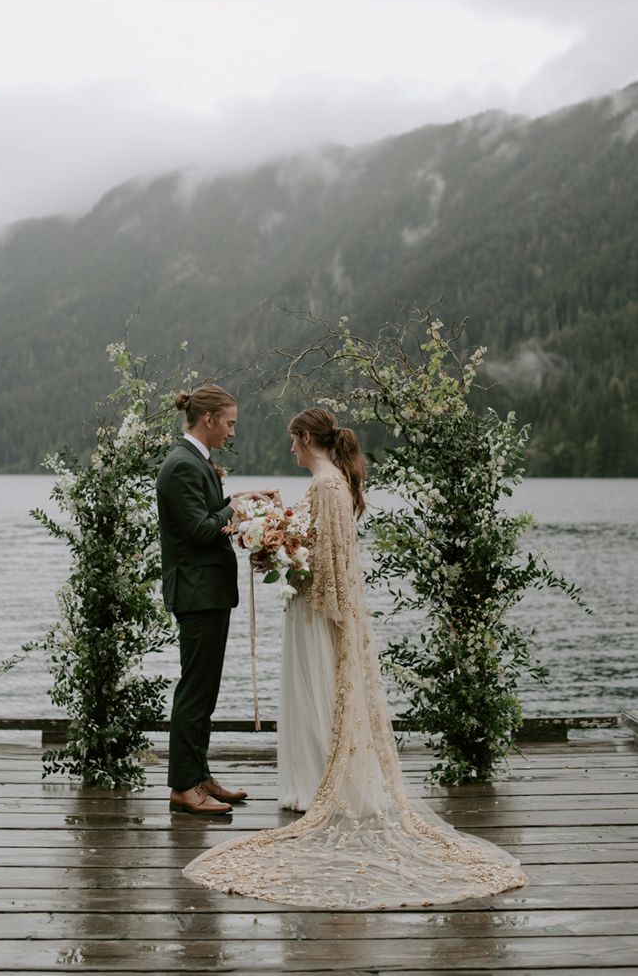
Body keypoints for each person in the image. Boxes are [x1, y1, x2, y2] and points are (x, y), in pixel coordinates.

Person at [183, 407, 527, 907]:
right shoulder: (334, 480)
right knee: (318, 689)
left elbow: (325, 562)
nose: (291, 450)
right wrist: (282, 547)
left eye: (292, 441)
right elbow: (329, 552)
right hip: (317, 606)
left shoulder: (325, 485)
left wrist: (282, 558)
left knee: (313, 688)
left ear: (305, 438)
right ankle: (317, 780)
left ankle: (315, 787)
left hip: (313, 608)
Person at [157, 383, 249, 815]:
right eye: (229, 423)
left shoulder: (196, 460)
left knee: (205, 690)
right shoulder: (181, 465)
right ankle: (182, 786)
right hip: (197, 593)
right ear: (209, 419)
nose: (232, 431)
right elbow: (197, 531)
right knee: (195, 692)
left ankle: (199, 774)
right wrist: (236, 510)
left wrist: (240, 503)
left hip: (208, 591)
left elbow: (207, 518)